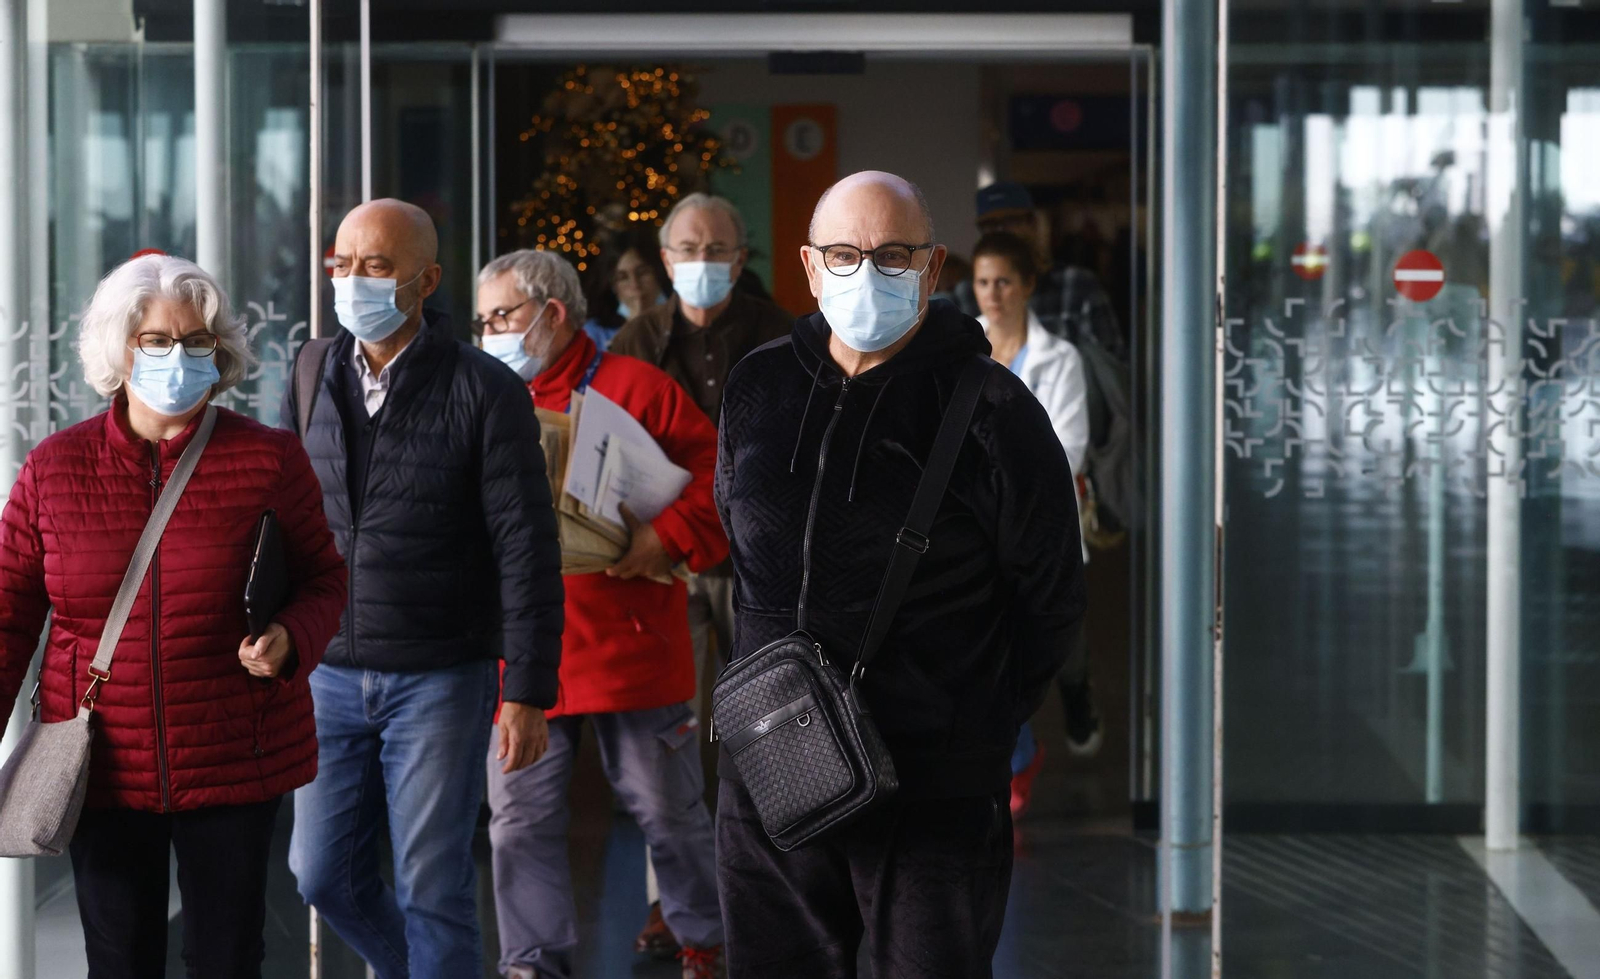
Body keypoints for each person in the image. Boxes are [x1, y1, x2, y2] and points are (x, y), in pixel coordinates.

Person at [713, 170, 1087, 977]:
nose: (867, 271)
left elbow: (1052, 596)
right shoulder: (759, 386)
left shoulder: (994, 409)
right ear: (811, 268)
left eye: (892, 254)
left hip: (934, 787)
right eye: (845, 253)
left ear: (932, 265)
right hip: (774, 767)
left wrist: (973, 719)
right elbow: (741, 558)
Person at [0, 254, 348, 979]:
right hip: (101, 762)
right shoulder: (53, 470)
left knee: (225, 957)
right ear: (118, 347)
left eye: (197, 341)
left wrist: (290, 639)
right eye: (156, 339)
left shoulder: (269, 460)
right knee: (119, 960)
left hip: (232, 755)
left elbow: (324, 578)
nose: (179, 356)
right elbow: (7, 615)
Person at [284, 200, 565, 979]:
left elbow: (526, 545)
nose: (354, 281)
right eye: (342, 264)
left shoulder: (485, 388)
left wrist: (529, 688)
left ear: (426, 279)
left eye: (376, 266)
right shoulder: (311, 370)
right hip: (328, 671)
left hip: (441, 676)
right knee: (318, 872)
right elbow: (287, 518)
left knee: (432, 885)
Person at [476, 249, 728, 979]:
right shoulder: (485, 393)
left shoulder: (635, 387)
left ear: (553, 314)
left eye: (504, 316)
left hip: (635, 637)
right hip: (525, 652)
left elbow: (719, 479)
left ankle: (707, 942)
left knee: (668, 814)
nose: (490, 331)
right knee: (518, 820)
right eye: (483, 319)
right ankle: (531, 963)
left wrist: (668, 535)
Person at [608, 192, 789, 956]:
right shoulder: (634, 340)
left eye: (719, 249)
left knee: (771, 723)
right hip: (666, 560)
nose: (703, 262)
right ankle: (671, 905)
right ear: (664, 257)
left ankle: (778, 892)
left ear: (741, 260)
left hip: (760, 560)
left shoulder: (784, 336)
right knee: (668, 739)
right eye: (689, 248)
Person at [971, 231, 1102, 816]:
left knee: (1052, 653)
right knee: (989, 655)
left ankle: (1074, 699)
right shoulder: (958, 352)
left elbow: (1067, 450)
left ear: (1027, 285)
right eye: (981, 282)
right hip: (974, 536)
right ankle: (1014, 761)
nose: (992, 294)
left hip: (1038, 534)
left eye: (1003, 281)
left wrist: (991, 481)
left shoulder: (1060, 359)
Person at [963, 180, 1127, 363]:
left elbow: (1112, 364)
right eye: (991, 226)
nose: (1001, 232)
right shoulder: (965, 296)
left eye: (1011, 222)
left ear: (1032, 223)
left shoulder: (1077, 285)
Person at [582, 228, 671, 351]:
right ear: (612, 285)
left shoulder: (683, 318)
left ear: (658, 272)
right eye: (622, 278)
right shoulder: (595, 333)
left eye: (642, 273)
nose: (635, 284)